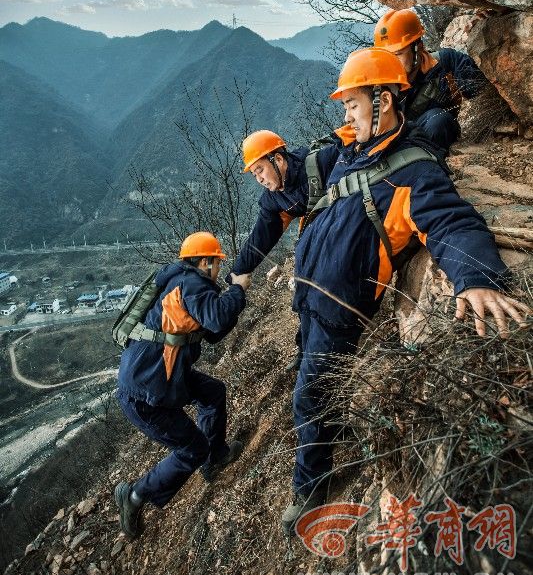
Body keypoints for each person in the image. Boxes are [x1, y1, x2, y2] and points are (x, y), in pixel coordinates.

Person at [282, 47, 531, 534]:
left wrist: (477, 278)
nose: (347, 115)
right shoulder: (353, 153)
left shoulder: (414, 170)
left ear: (384, 101)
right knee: (307, 376)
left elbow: (452, 221)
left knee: (308, 396)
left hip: (339, 307)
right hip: (310, 296)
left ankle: (310, 486)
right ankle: (330, 434)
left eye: (353, 104)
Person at [114, 231, 251, 539]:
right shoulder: (190, 284)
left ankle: (216, 456)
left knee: (212, 393)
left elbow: (212, 332)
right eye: (216, 263)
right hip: (146, 391)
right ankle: (134, 496)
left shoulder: (182, 284)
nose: (217, 268)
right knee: (191, 449)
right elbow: (216, 318)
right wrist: (238, 291)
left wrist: (231, 297)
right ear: (205, 262)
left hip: (160, 376)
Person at [229, 127, 354, 372]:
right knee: (303, 288)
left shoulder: (320, 161)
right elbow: (260, 238)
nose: (260, 179)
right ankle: (305, 349)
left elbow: (352, 151)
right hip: (321, 236)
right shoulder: (274, 199)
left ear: (278, 159)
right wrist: (238, 271)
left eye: (260, 170)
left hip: (346, 226)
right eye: (255, 175)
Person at [374, 8, 486, 152]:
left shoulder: (445, 63)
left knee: (438, 120)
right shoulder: (379, 85)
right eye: (387, 56)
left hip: (432, 138)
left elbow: (481, 89)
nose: (392, 63)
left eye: (398, 54)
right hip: (395, 147)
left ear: (418, 48)